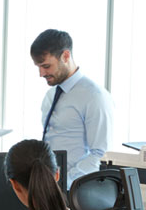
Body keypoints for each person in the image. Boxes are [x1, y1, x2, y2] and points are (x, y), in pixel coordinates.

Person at [31, 29, 113, 187]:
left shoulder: (94, 96)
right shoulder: (50, 95)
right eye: (38, 67)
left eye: (46, 66)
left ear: (66, 56)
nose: (41, 73)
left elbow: (101, 154)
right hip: (51, 186)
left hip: (77, 190)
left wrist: (64, 182)